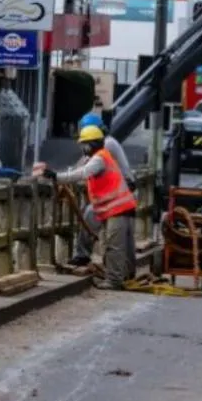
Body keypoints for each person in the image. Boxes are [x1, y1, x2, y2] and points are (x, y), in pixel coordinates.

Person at [44, 125, 137, 290]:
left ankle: (114, 281)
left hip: (117, 209)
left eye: (83, 144)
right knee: (125, 245)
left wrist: (56, 176)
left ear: (90, 144)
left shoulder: (99, 159)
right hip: (123, 207)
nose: (82, 148)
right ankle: (128, 276)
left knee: (114, 246)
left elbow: (82, 173)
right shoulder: (103, 156)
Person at [71, 113, 135, 267]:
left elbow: (83, 169)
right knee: (124, 237)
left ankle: (83, 254)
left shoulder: (105, 145)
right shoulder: (107, 142)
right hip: (123, 191)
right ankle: (127, 270)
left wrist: (59, 176)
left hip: (118, 193)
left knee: (90, 214)